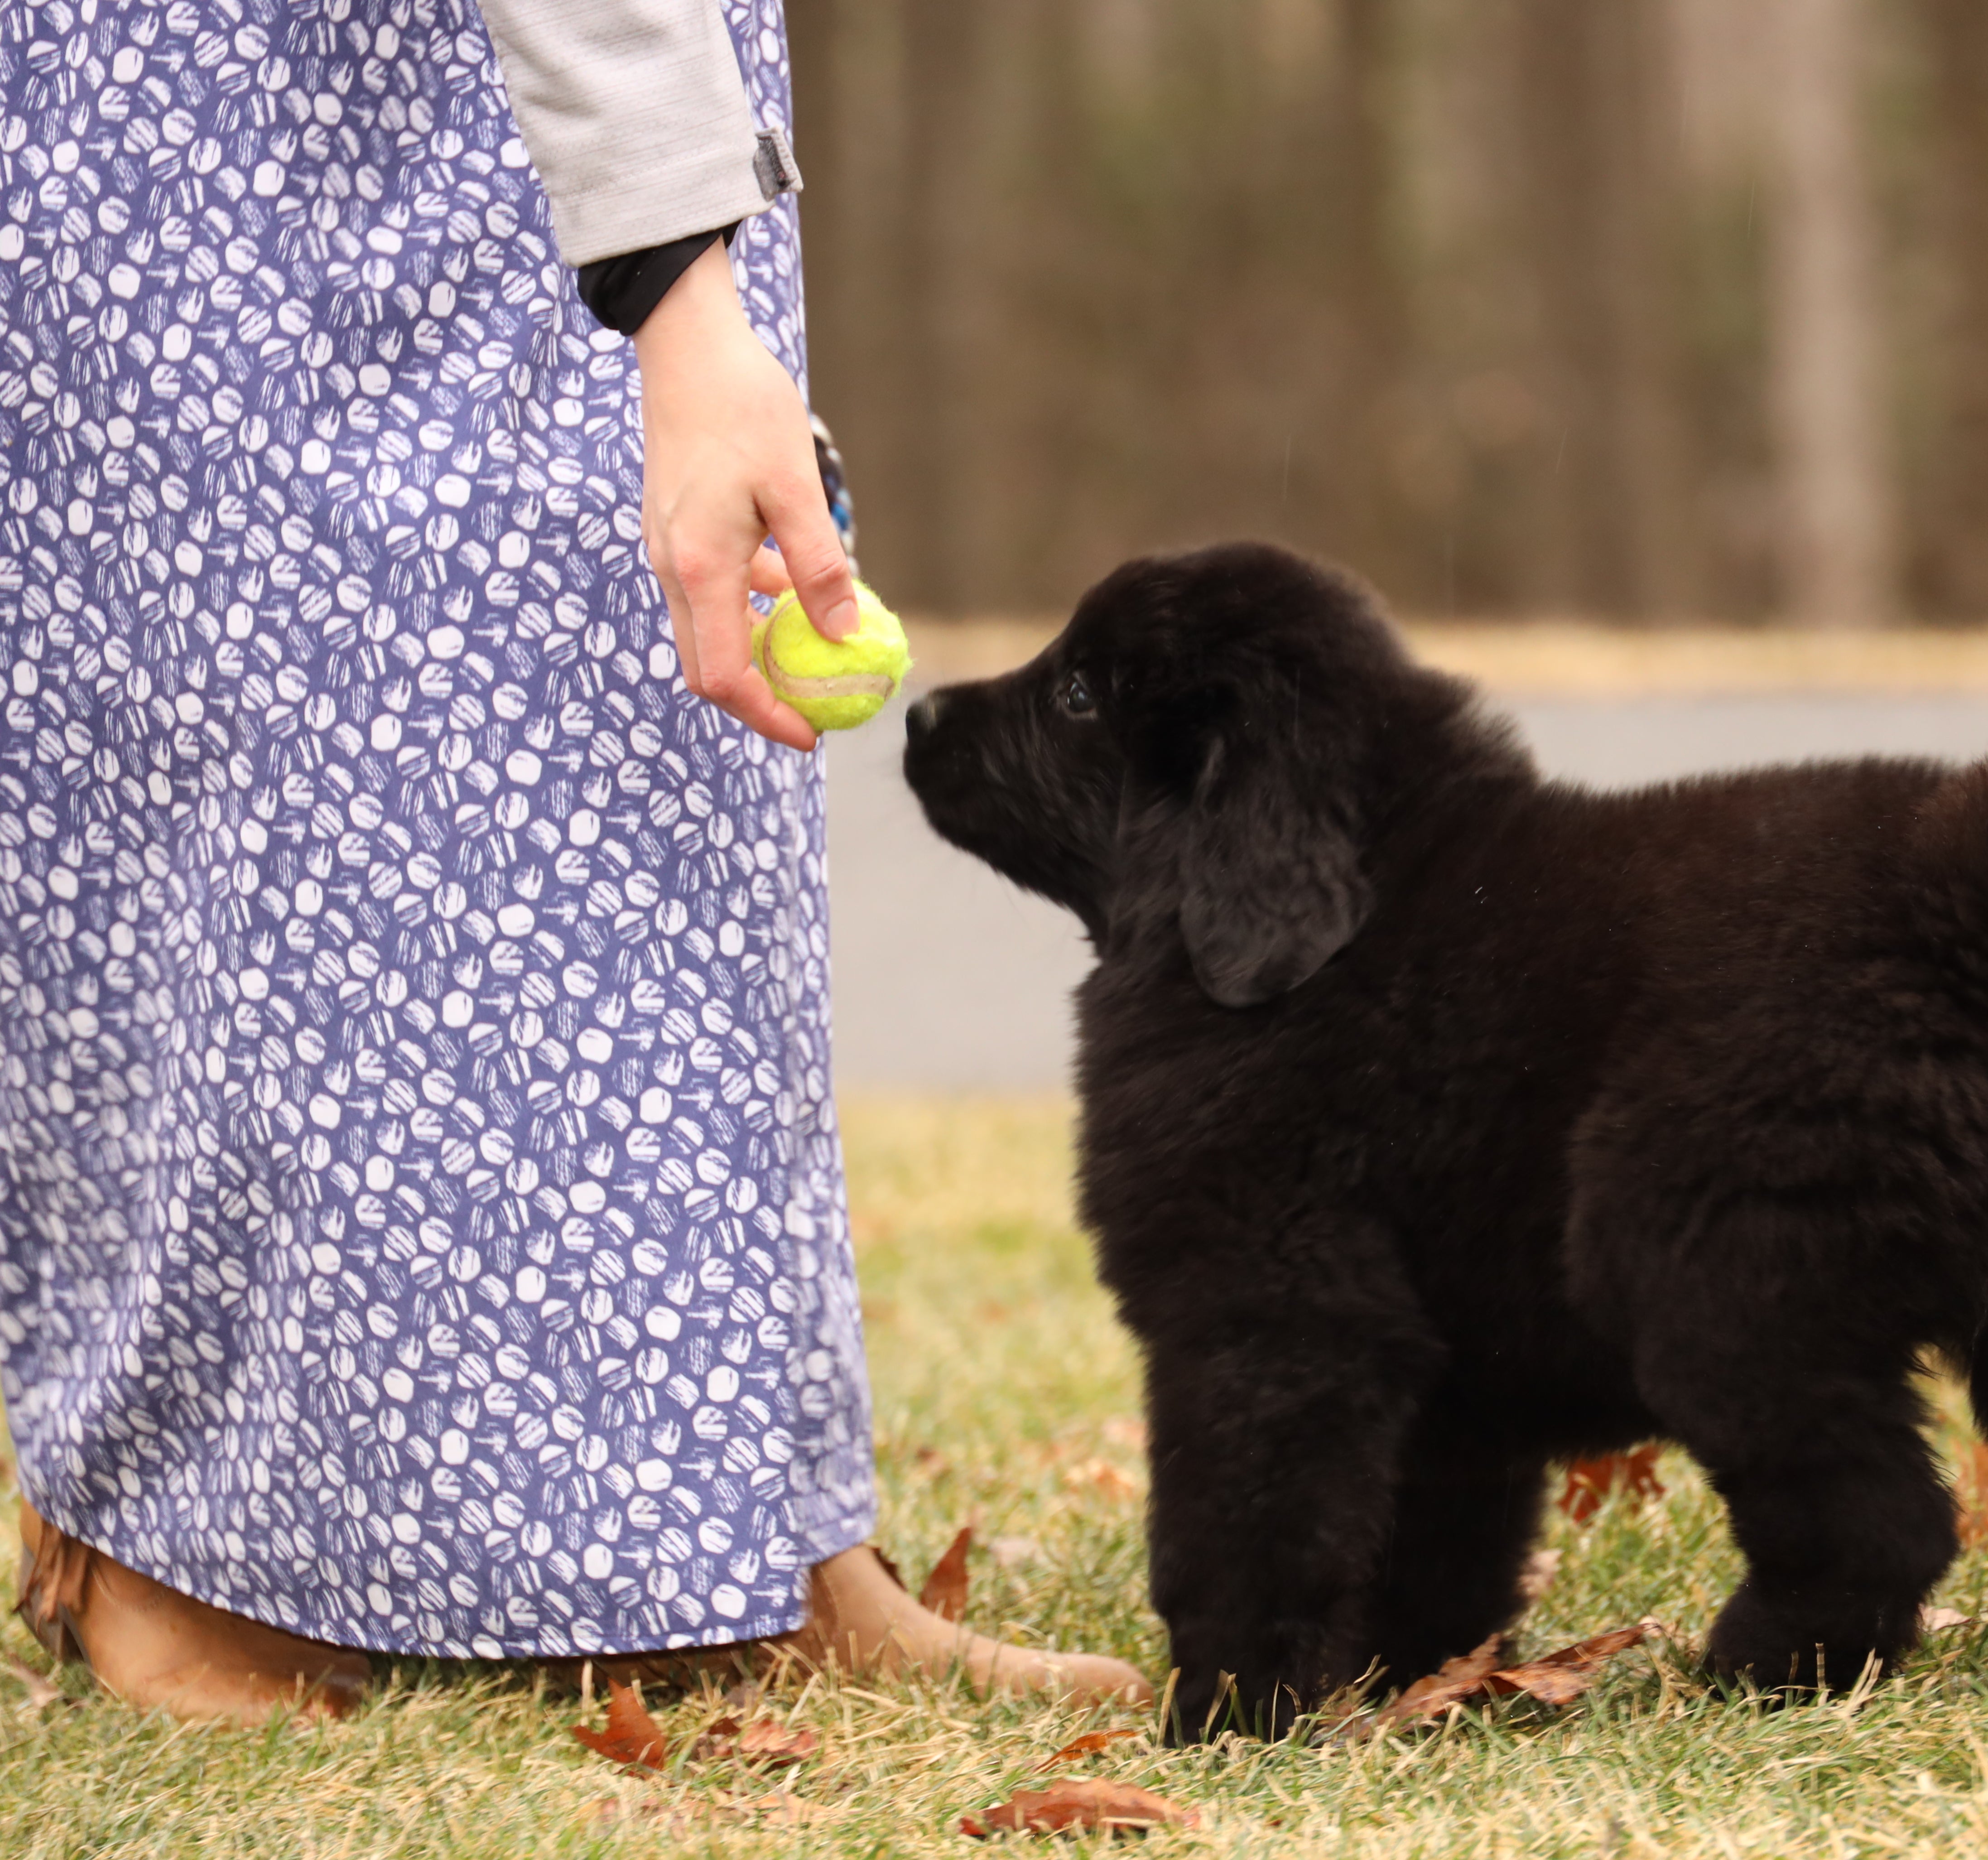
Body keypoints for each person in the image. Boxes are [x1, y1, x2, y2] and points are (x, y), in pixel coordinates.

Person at [0, 0, 1147, 1721]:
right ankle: (173, 1563)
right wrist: (686, 294)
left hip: (532, 116)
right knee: (235, 800)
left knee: (651, 789)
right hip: (227, 131)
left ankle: (745, 1532)